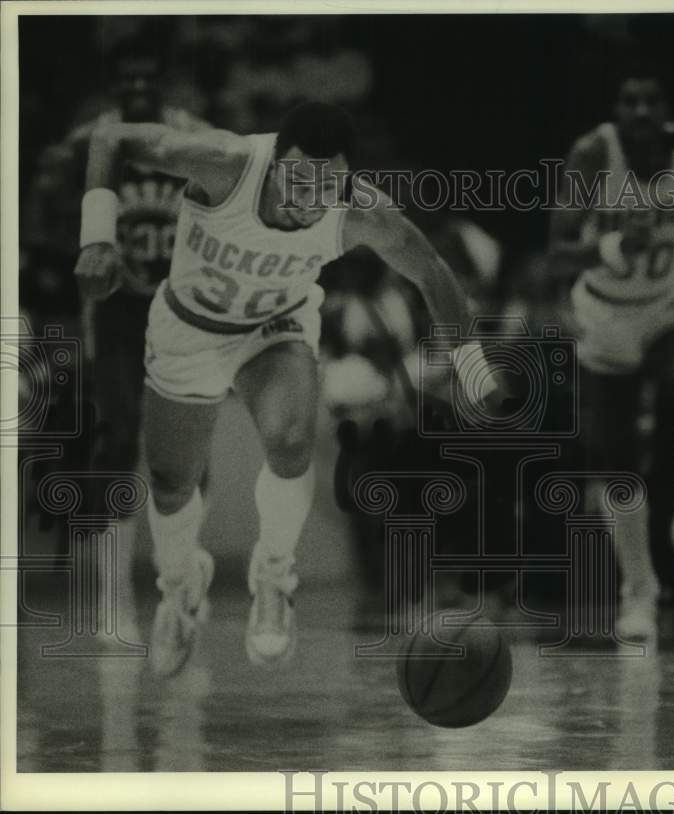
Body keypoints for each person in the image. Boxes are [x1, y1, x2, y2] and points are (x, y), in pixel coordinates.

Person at [74, 101, 501, 676]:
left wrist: (473, 367)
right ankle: (179, 586)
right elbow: (109, 137)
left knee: (292, 440)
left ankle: (274, 578)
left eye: (329, 185)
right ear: (275, 163)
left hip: (275, 329)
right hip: (190, 329)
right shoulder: (225, 161)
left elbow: (429, 269)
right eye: (300, 181)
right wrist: (97, 236)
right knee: (172, 482)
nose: (312, 200)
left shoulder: (357, 210)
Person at [24, 40, 209, 638]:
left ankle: (179, 579)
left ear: (163, 81)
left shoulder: (190, 134)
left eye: (146, 76)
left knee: (187, 448)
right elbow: (44, 197)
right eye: (125, 78)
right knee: (120, 435)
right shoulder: (91, 141)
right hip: (117, 312)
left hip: (180, 307)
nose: (137, 87)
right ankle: (111, 598)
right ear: (112, 89)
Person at [549, 63, 674, 639]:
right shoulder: (591, 154)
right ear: (617, 109)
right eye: (630, 101)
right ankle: (640, 589)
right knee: (615, 456)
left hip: (670, 305)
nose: (642, 112)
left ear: (667, 107)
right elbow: (557, 250)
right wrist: (612, 244)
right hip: (606, 311)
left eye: (652, 100)